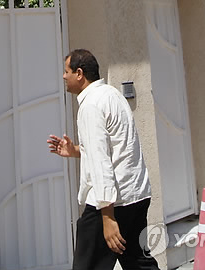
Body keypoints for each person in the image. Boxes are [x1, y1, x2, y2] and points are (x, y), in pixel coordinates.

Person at [48, 49, 160, 270]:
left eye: (66, 71)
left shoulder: (91, 105)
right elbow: (111, 148)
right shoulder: (112, 94)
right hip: (136, 196)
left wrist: (107, 218)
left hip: (111, 205)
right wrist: (75, 150)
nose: (63, 76)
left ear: (79, 73)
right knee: (138, 263)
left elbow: (101, 163)